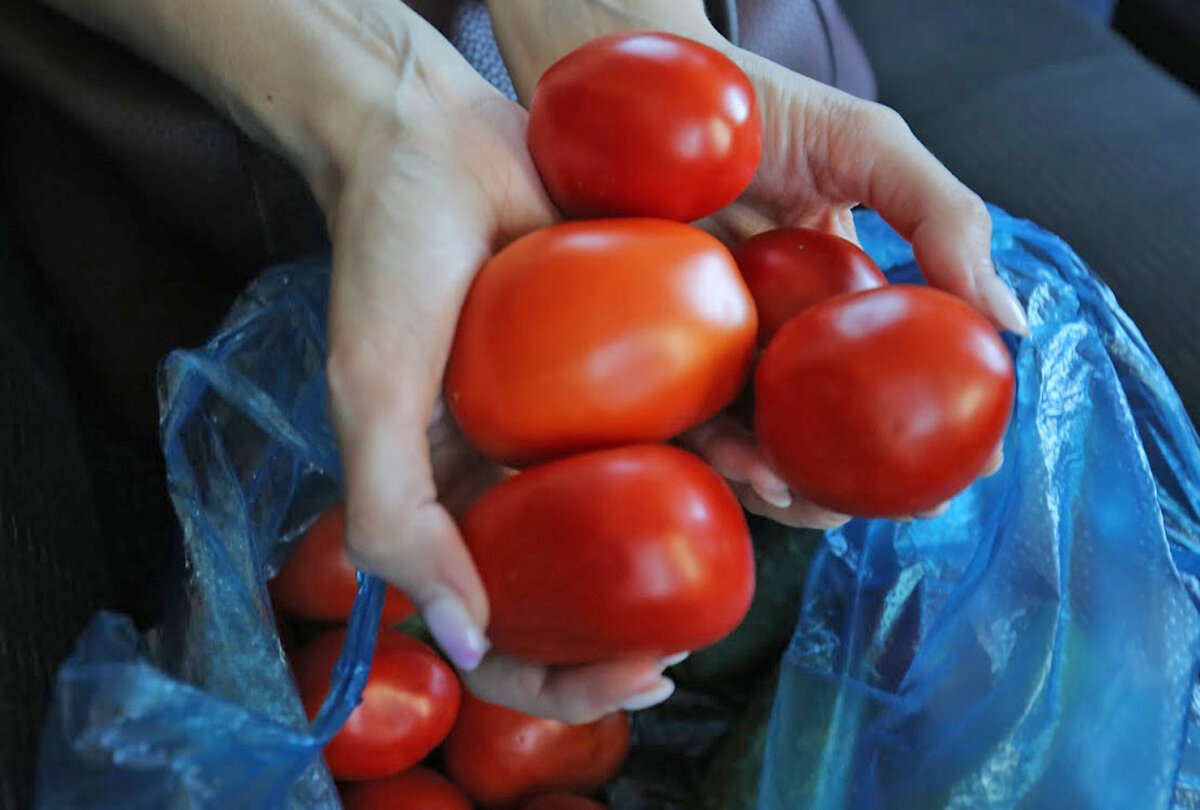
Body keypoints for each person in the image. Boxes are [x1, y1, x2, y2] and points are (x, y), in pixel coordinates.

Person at [0, 0, 1027, 803]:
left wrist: (620, 18)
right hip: (174, 138)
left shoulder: (738, 267)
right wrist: (376, 89)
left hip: (722, 94)